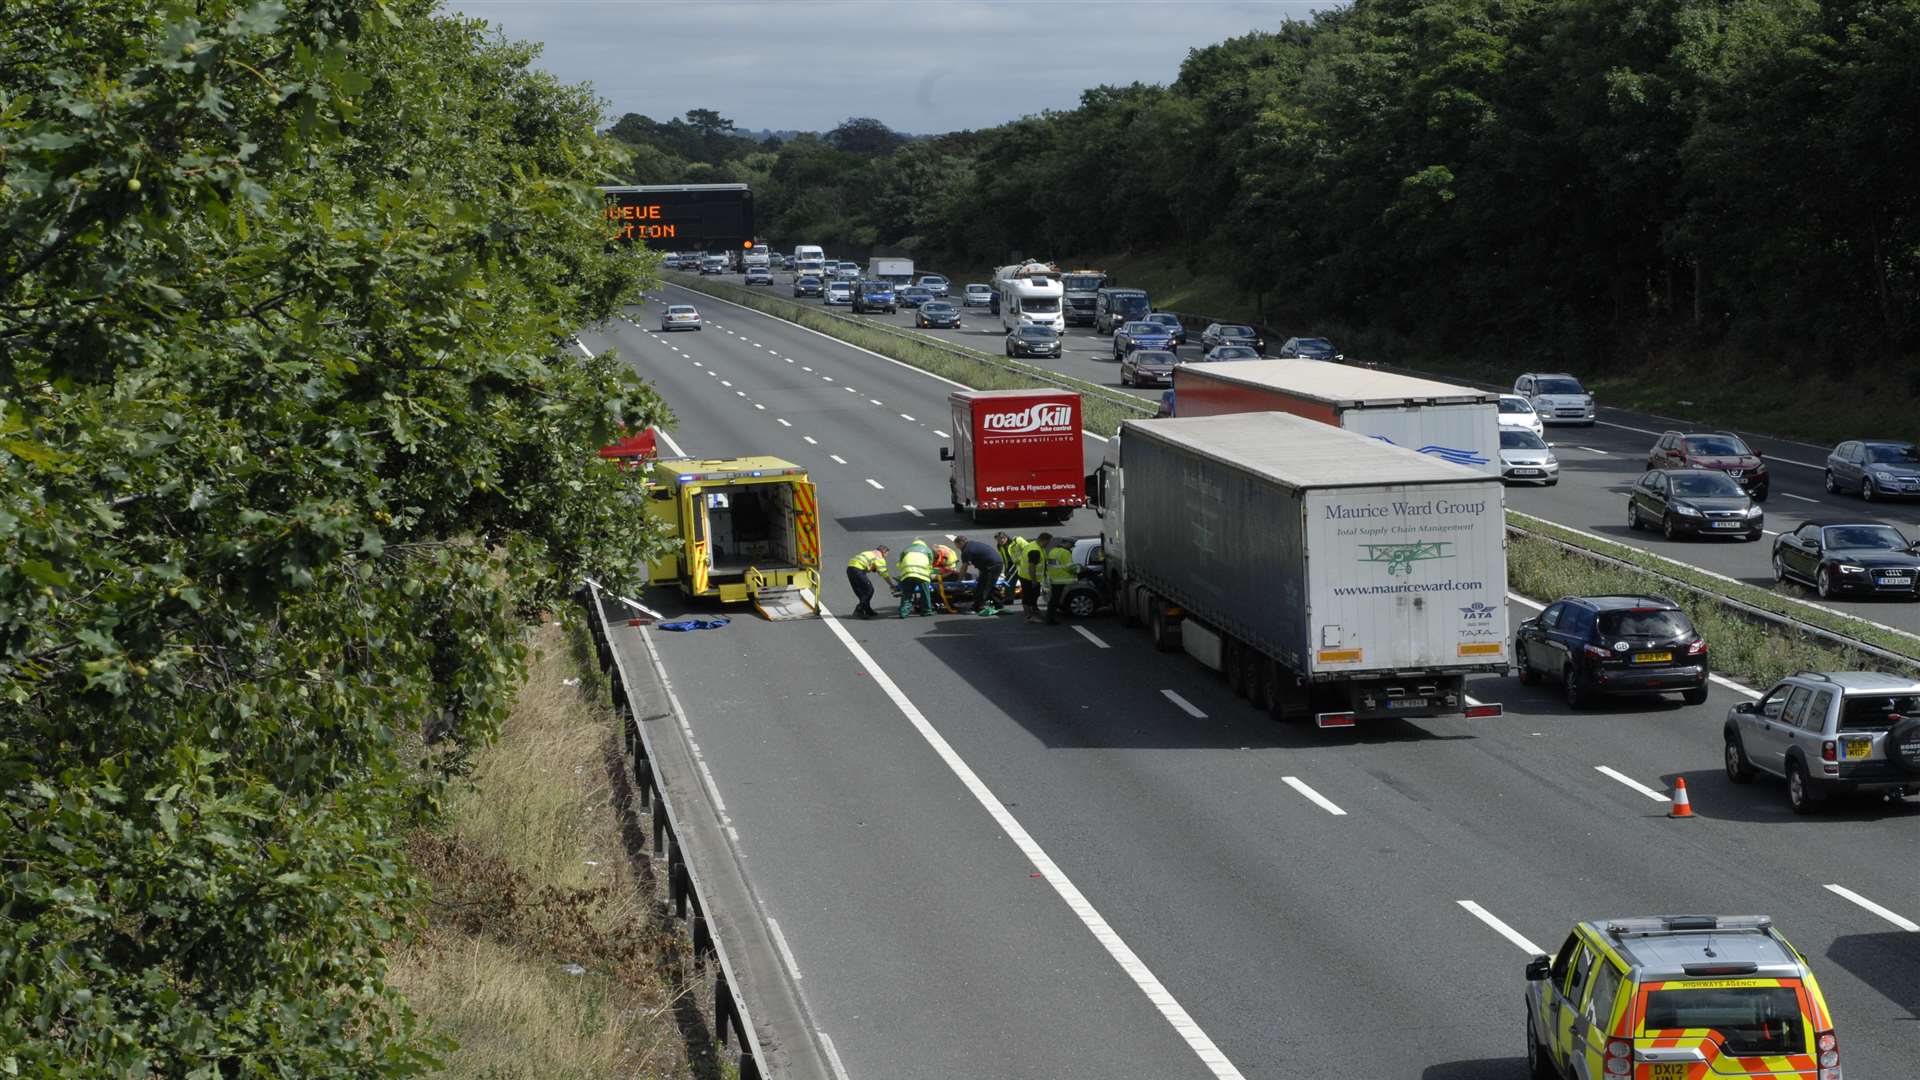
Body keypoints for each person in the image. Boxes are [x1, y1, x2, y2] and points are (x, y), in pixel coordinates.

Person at [955, 535, 1003, 615]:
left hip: (991, 566)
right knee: (989, 585)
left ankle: (978, 607)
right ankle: (998, 604)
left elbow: (964, 567)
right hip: (997, 564)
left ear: (961, 543)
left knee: (982, 587)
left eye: (958, 546)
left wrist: (959, 581)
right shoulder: (972, 544)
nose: (959, 549)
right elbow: (982, 558)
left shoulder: (967, 550)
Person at [845, 545, 892, 619]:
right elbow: (884, 574)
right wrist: (891, 585)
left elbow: (867, 563)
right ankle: (859, 610)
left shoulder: (868, 553)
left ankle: (867, 609)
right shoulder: (879, 558)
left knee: (861, 592)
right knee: (869, 590)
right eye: (887, 554)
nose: (886, 556)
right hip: (858, 570)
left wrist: (871, 568)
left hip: (850, 569)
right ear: (884, 552)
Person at [1043, 535, 1080, 625]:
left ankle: (1049, 618)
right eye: (1072, 544)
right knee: (1055, 600)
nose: (1072, 547)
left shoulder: (1053, 551)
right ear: (1066, 543)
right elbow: (1070, 567)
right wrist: (1079, 569)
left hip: (1054, 579)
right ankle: (1050, 619)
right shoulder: (1065, 553)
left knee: (1053, 600)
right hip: (1062, 579)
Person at [896, 544, 934, 617]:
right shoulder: (928, 550)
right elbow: (930, 564)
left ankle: (903, 612)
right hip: (922, 574)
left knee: (906, 594)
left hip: (907, 573)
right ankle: (926, 611)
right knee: (925, 593)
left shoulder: (906, 549)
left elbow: (899, 564)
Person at [1022, 532, 1053, 623]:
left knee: (1034, 595)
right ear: (1043, 540)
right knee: (1028, 597)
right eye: (1047, 542)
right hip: (1029, 578)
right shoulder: (1035, 550)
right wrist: (1034, 580)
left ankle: (1033, 610)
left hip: (1027, 576)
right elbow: (1032, 567)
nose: (1048, 544)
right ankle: (1028, 617)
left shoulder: (1033, 545)